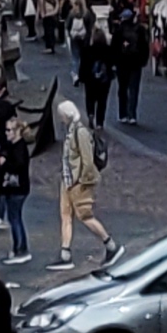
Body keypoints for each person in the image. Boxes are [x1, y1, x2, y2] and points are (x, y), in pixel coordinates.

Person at [54, 94, 115, 266]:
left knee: (85, 216)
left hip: (78, 182)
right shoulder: (71, 131)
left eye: (62, 115)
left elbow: (87, 161)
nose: (61, 119)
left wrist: (81, 181)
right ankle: (65, 254)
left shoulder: (80, 132)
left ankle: (110, 245)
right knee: (66, 215)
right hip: (67, 180)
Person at [0, 104, 34, 259]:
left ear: (16, 131)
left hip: (17, 188)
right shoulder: (14, 146)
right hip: (16, 187)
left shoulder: (19, 148)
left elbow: (18, 165)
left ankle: (20, 249)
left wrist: (5, 163)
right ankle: (20, 247)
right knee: (15, 218)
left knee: (15, 218)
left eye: (8, 130)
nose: (6, 133)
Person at [112, 0, 151, 127]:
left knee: (122, 89)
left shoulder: (118, 31)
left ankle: (122, 114)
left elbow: (114, 48)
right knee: (133, 89)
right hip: (135, 63)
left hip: (122, 63)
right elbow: (145, 47)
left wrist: (113, 63)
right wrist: (143, 61)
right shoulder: (140, 30)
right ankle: (132, 115)